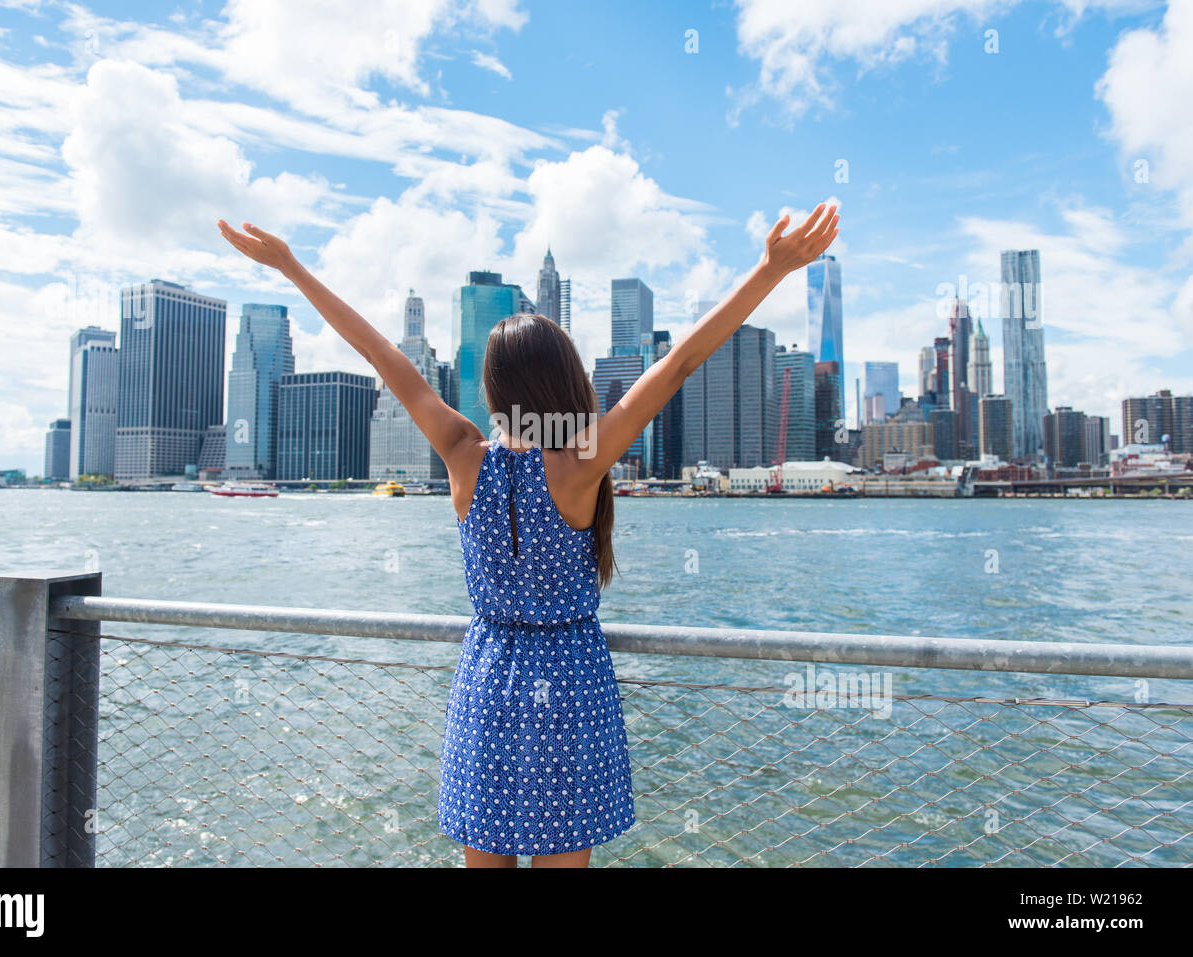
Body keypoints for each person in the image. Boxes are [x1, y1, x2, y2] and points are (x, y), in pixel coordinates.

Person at [217, 202, 840, 867]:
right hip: (571, 683)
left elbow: (378, 350)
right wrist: (770, 270)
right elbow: (680, 363)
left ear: (492, 389)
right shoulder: (578, 464)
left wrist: (291, 267)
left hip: (489, 682)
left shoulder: (461, 453)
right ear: (565, 385)